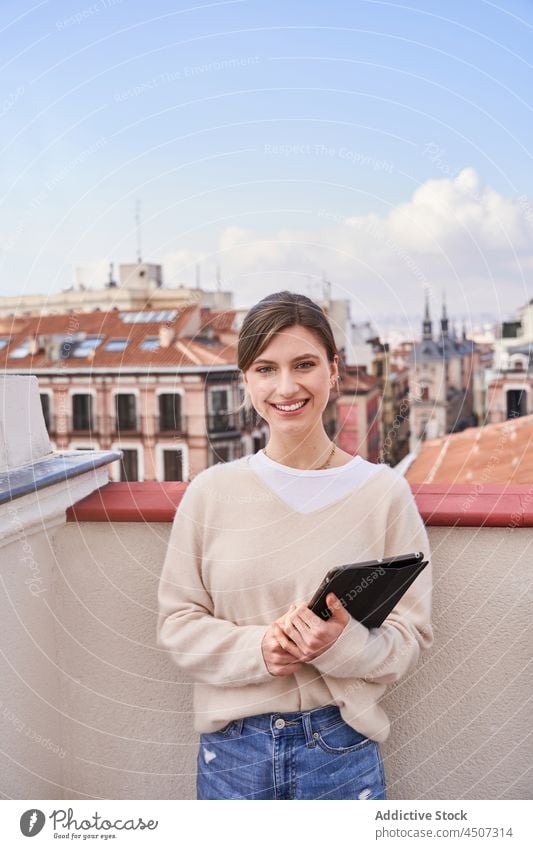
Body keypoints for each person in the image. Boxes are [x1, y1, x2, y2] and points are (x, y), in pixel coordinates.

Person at [157, 290, 433, 800]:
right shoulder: (209, 495)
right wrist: (259, 649)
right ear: (246, 379)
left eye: (303, 364)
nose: (285, 386)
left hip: (342, 754)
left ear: (333, 370)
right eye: (265, 368)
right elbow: (177, 627)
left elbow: (410, 639)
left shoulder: (384, 494)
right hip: (232, 757)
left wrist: (342, 646)